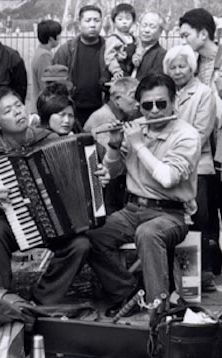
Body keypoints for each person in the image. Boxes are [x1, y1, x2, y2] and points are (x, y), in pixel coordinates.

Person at [0, 87, 108, 305]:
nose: (18, 112)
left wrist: (98, 176)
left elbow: (85, 173)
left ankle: (40, 300)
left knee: (80, 245)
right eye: (8, 110)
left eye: (18, 106)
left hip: (57, 221)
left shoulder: (49, 138)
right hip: (14, 219)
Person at [85, 74, 200, 315]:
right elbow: (113, 171)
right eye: (147, 106)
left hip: (171, 213)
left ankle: (159, 311)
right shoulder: (137, 128)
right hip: (132, 209)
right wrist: (115, 147)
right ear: (140, 106)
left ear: (173, 102)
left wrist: (138, 145)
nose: (155, 111)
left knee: (147, 233)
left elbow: (168, 178)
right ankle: (128, 292)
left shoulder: (187, 135)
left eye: (161, 104)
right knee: (92, 234)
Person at [164, 45, 220, 291]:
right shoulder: (166, 93)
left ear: (192, 67)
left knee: (198, 220)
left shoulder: (203, 93)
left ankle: (196, 279)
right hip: (171, 166)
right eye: (173, 67)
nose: (177, 71)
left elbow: (200, 133)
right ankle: (183, 280)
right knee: (179, 222)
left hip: (197, 167)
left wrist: (173, 151)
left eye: (182, 66)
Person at [84, 77, 140, 214]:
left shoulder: (119, 117)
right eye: (133, 97)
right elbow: (109, 162)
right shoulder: (104, 118)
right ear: (117, 99)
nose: (138, 103)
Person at [53, 5, 108, 127]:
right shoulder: (65, 51)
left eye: (96, 20)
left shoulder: (110, 50)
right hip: (72, 111)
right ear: (79, 24)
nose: (92, 25)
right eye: (88, 21)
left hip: (102, 110)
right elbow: (53, 85)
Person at [179, 8, 222, 90]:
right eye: (182, 37)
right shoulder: (191, 67)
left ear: (203, 34)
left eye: (186, 35)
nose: (183, 42)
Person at [29, 19, 62, 112]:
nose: (60, 37)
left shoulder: (41, 52)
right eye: (58, 34)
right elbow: (46, 85)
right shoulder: (44, 56)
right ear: (51, 38)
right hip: (44, 107)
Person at [105, 3, 137, 80]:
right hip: (118, 74)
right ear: (114, 21)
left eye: (128, 19)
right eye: (120, 19)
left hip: (132, 73)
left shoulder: (134, 38)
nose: (124, 22)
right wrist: (116, 70)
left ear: (133, 21)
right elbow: (109, 57)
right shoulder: (113, 39)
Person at [131, 12, 166, 81]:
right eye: (144, 25)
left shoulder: (162, 55)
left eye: (152, 27)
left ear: (160, 32)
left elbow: (152, 82)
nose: (146, 30)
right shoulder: (131, 48)